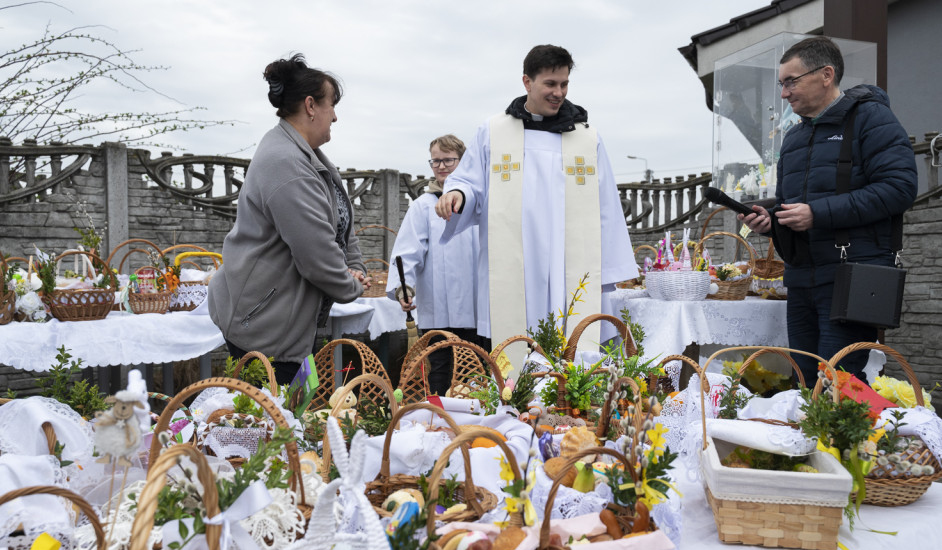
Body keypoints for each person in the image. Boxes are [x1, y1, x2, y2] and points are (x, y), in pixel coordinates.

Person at [435, 44, 637, 353]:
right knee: (515, 358)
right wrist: (457, 194)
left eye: (564, 84)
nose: (559, 92)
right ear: (527, 82)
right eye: (550, 84)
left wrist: (607, 273)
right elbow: (470, 182)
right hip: (516, 265)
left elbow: (606, 207)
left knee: (574, 353)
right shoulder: (493, 132)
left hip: (568, 265)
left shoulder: (586, 138)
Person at [739, 36, 917, 380]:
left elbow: (899, 188)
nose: (784, 94)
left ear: (826, 75)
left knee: (839, 381)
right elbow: (797, 206)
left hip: (852, 278)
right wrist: (772, 220)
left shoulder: (871, 118)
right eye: (781, 84)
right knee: (805, 380)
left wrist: (817, 213)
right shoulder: (793, 138)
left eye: (791, 82)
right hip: (802, 278)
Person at [208, 54, 366, 385]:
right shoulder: (286, 163)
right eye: (331, 105)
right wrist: (351, 285)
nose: (334, 115)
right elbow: (316, 255)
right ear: (311, 105)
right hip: (266, 329)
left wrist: (357, 266)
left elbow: (340, 223)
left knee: (287, 424)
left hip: (287, 322)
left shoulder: (307, 156)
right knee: (271, 430)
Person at [385, 134, 483, 395]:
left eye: (447, 160)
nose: (440, 166)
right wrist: (402, 288)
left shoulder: (477, 206)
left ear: (462, 162)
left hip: (476, 309)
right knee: (441, 371)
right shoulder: (423, 207)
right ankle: (440, 423)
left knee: (477, 373)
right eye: (435, 161)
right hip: (439, 309)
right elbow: (406, 253)